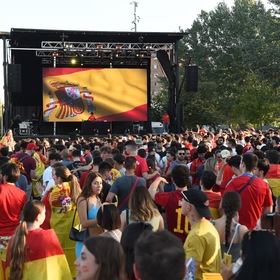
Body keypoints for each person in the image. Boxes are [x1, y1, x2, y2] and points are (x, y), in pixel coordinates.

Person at [6, 200, 72, 280]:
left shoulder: (13, 239)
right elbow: (59, 267)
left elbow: (8, 269)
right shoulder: (47, 236)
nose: (45, 215)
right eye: (44, 213)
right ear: (38, 216)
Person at [42, 165, 81, 276]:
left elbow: (47, 211)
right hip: (74, 231)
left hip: (58, 231)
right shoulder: (76, 187)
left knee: (60, 259)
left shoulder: (54, 191)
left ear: (59, 178)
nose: (52, 178)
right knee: (72, 258)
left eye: (54, 175)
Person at [181, 188, 221, 280]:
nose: (180, 202)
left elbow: (189, 275)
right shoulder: (208, 226)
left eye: (182, 200)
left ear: (189, 207)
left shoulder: (197, 235)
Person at [225, 153, 273, 229]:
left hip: (237, 228)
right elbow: (268, 208)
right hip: (256, 228)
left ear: (242, 164)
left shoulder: (232, 183)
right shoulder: (264, 185)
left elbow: (225, 206)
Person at [149, 165, 191, 242]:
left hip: (174, 242)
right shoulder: (196, 196)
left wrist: (158, 179)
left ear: (173, 180)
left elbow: (151, 192)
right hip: (191, 241)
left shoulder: (169, 197)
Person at [0, 163, 27, 277]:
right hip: (14, 235)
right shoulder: (22, 194)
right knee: (11, 266)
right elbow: (23, 215)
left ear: (5, 176)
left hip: (1, 234)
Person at [213, 191, 248, 263]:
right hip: (234, 273)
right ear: (238, 207)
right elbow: (247, 255)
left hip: (213, 271)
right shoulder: (242, 230)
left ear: (222, 205)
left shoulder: (211, 225)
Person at [76, 172, 103, 257]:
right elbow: (84, 223)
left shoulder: (98, 198)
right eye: (95, 183)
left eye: (101, 183)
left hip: (97, 241)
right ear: (89, 184)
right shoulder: (83, 199)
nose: (99, 186)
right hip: (85, 243)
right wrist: (101, 220)